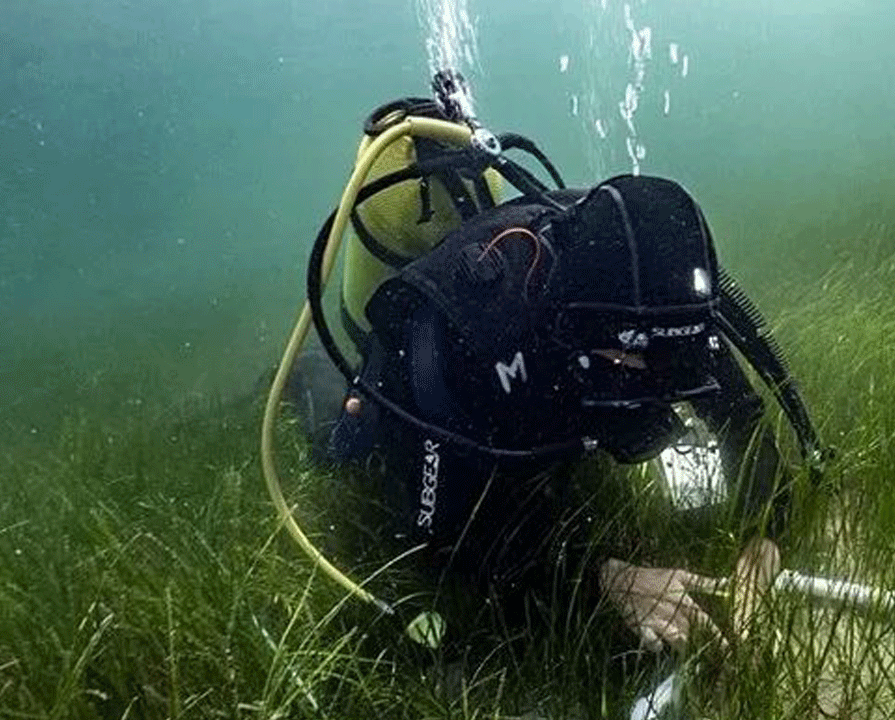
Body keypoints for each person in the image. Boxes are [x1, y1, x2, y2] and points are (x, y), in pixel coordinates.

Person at [279, 76, 824, 675]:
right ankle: (299, 379)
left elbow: (742, 417)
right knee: (347, 444)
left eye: (680, 356)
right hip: (410, 385)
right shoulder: (476, 334)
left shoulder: (667, 319)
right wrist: (601, 574)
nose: (667, 379)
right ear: (575, 330)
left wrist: (763, 536)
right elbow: (440, 531)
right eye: (638, 361)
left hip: (548, 388)